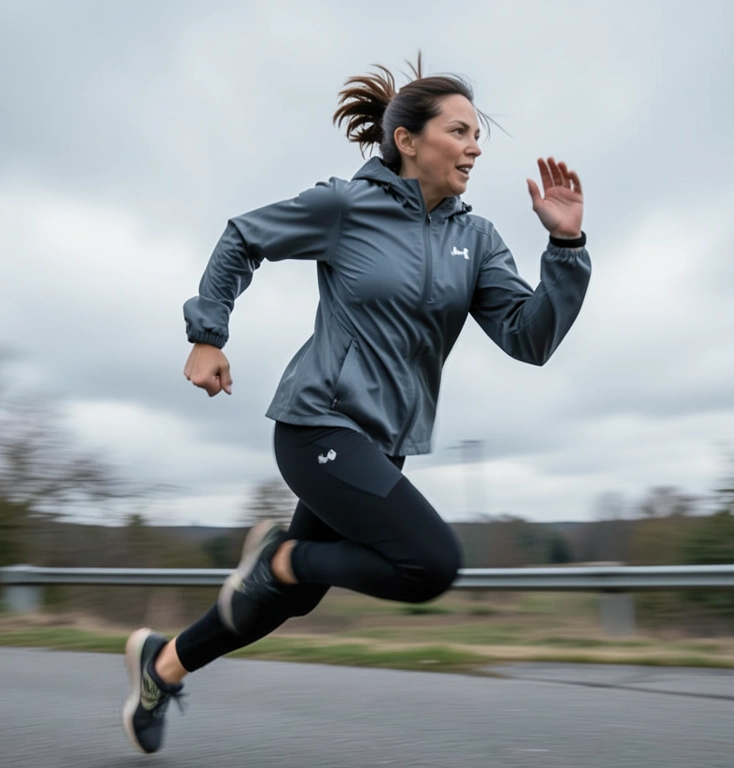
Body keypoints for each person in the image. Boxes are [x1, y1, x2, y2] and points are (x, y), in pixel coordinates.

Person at [122, 57, 591, 754]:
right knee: (429, 563)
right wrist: (206, 335)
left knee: (289, 597)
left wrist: (566, 244)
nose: (474, 146)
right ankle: (278, 560)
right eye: (459, 131)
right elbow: (242, 236)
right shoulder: (347, 206)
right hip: (317, 423)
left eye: (476, 134)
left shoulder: (478, 240)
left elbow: (530, 339)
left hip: (382, 444)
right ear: (408, 140)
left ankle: (162, 666)